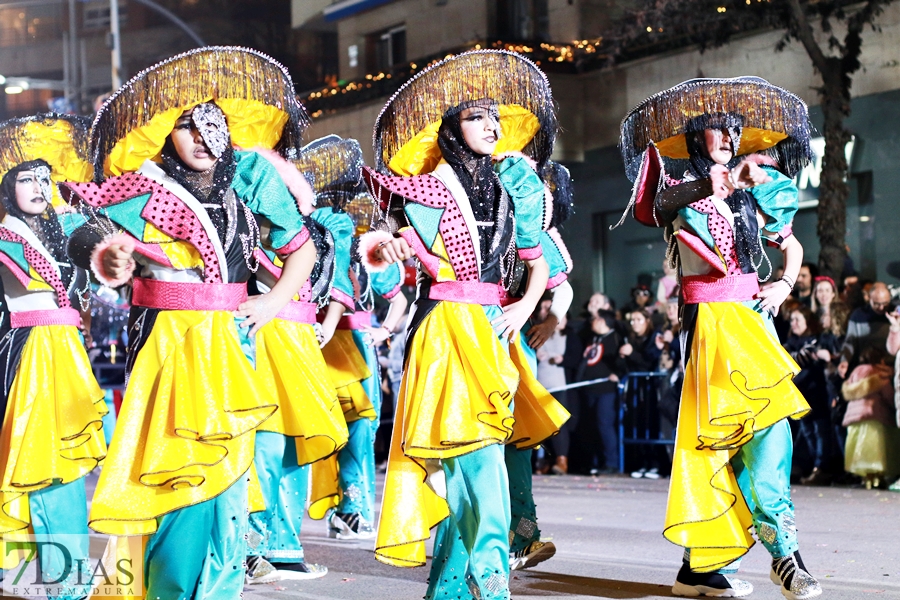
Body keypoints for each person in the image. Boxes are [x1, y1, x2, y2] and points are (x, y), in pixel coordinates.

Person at [63, 47, 314, 598]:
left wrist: (269, 305)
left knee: (229, 482)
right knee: (178, 477)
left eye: (213, 125)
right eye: (187, 127)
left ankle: (221, 587)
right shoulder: (142, 185)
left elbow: (303, 252)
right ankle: (170, 589)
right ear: (166, 136)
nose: (202, 137)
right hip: (167, 344)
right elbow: (78, 221)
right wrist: (105, 256)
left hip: (235, 339)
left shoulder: (249, 179)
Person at [360, 49, 559, 600]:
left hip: (492, 328)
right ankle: (491, 578)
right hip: (444, 329)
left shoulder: (512, 188)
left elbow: (538, 262)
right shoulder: (424, 190)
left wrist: (526, 305)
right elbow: (386, 243)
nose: (491, 125)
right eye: (476, 117)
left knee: (472, 460)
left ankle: (448, 586)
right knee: (472, 458)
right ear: (450, 129)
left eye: (495, 117)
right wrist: (387, 248)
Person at [618, 76, 821, 599]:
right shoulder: (677, 188)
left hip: (754, 324)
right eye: (717, 127)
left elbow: (790, 246)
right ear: (694, 137)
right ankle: (699, 567)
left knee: (771, 435)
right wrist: (717, 181)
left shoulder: (755, 189)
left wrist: (782, 284)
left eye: (734, 127)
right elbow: (653, 210)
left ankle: (786, 557)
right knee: (717, 448)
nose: (729, 134)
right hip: (708, 328)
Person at [0, 114, 107, 599]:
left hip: (66, 351)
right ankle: (58, 574)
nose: (40, 186)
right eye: (27, 179)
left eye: (46, 177)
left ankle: (46, 570)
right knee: (46, 461)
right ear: (8, 188)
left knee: (60, 461)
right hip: (31, 355)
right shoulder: (7, 237)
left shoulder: (61, 231)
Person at [242, 139, 354, 583]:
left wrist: (330, 318)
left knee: (295, 447)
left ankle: (284, 547)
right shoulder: (243, 225)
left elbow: (336, 268)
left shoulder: (314, 228)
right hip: (264, 338)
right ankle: (249, 547)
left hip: (302, 340)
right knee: (265, 446)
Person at [298, 136, 409, 541]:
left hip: (347, 340)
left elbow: (397, 301)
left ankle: (351, 509)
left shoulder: (364, 240)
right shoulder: (309, 224)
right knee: (308, 429)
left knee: (359, 428)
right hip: (315, 336)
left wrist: (382, 331)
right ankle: (285, 531)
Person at [783, 305, 834, 486]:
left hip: (815, 392)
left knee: (820, 431)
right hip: (800, 394)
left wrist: (802, 355)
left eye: (798, 320)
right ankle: (814, 466)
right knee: (808, 431)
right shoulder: (791, 342)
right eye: (792, 320)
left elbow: (796, 358)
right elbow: (785, 357)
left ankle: (822, 468)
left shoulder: (814, 340)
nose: (794, 323)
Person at [576, 310, 626, 474]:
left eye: (596, 319)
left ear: (604, 321)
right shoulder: (593, 338)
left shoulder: (615, 339)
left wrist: (617, 375)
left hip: (606, 390)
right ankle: (595, 462)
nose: (593, 321)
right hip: (589, 388)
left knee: (605, 425)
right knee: (591, 427)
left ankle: (611, 463)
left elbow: (621, 363)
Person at [841, 347, 899, 489]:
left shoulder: (855, 372)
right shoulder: (880, 374)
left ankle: (866, 478)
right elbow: (888, 396)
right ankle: (877, 477)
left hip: (854, 417)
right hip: (874, 415)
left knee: (859, 449)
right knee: (875, 450)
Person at [839, 282, 895, 377]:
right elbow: (850, 342)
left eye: (885, 303)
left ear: (889, 298)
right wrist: (845, 360)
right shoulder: (858, 315)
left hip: (889, 367)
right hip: (865, 368)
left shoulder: (896, 313)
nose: (881, 308)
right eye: (876, 304)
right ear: (869, 298)